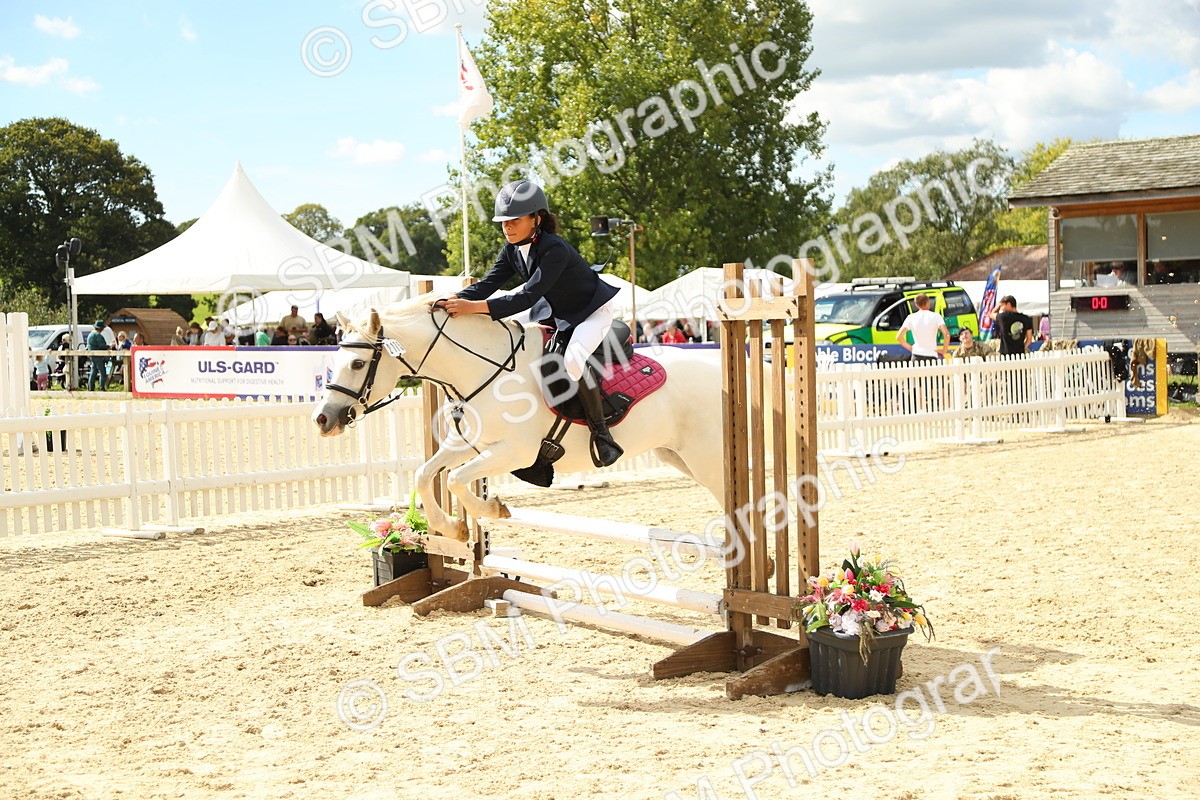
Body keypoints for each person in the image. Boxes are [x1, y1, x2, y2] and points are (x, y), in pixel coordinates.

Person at [433, 179, 624, 467]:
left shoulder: (554, 249)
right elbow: (488, 284)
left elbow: (527, 296)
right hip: (559, 312)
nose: (507, 227)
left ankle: (602, 435)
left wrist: (473, 308)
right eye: (503, 222)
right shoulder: (511, 250)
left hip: (591, 311)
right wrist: (453, 300)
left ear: (537, 218)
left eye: (515, 220)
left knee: (573, 361)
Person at [896, 293, 949, 362]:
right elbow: (947, 335)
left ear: (916, 305)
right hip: (931, 354)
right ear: (928, 302)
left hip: (916, 355)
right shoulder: (936, 316)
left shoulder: (911, 318)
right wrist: (944, 350)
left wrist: (911, 348)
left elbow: (899, 337)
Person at [86, 321, 110, 391]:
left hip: (92, 355)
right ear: (101, 328)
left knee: (93, 371)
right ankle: (102, 387)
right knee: (103, 372)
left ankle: (90, 387)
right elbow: (102, 346)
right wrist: (109, 346)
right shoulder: (98, 335)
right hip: (98, 356)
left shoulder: (90, 335)